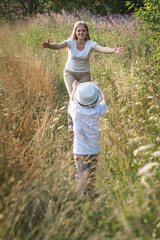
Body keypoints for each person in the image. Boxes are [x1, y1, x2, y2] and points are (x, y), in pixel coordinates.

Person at [42, 21, 124, 131]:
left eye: (83, 31)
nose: (81, 32)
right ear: (75, 32)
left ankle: (83, 122)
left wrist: (113, 51)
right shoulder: (71, 42)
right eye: (79, 30)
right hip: (70, 73)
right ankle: (71, 124)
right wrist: (49, 46)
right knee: (74, 95)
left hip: (85, 74)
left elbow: (101, 48)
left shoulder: (90, 43)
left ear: (86, 32)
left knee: (84, 98)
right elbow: (59, 45)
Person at [68, 80, 108, 196]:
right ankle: (90, 196)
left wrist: (74, 88)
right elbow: (106, 101)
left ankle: (80, 199)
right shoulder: (97, 110)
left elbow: (71, 101)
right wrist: (99, 88)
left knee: (81, 175)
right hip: (94, 150)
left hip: (79, 151)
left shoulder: (76, 111)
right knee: (91, 174)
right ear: (94, 99)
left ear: (79, 100)